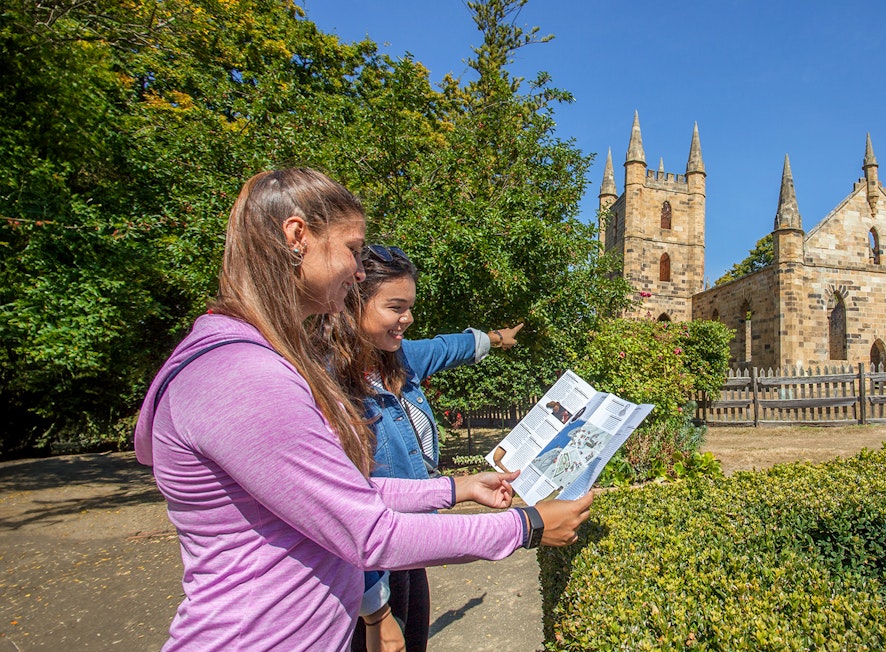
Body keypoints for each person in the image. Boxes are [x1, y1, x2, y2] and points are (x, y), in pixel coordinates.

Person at [133, 168, 593, 651]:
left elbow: (341, 491)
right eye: (352, 249)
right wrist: (528, 526)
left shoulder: (256, 359)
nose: (357, 272)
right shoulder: (242, 376)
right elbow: (368, 534)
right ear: (297, 237)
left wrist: (454, 488)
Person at [329, 244, 522, 651]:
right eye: (395, 307)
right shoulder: (327, 386)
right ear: (351, 304)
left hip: (412, 543)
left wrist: (494, 338)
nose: (408, 319)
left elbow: (446, 347)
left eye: (410, 306)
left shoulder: (398, 359)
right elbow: (343, 511)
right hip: (369, 565)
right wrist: (375, 612)